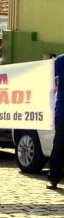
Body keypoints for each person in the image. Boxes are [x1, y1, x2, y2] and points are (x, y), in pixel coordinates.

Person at [47, 54, 64, 190]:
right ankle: (53, 178)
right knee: (59, 144)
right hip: (63, 110)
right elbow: (46, 77)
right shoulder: (60, 60)